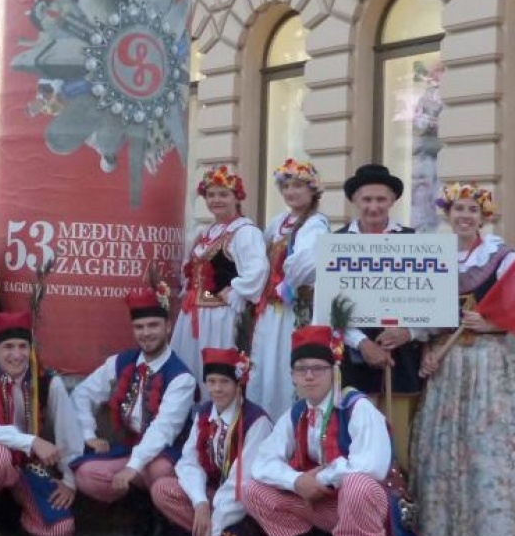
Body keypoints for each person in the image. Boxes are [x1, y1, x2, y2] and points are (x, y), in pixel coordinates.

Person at [415, 183, 515, 536]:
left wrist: (490, 321)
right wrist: (427, 351)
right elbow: (423, 314)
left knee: (481, 453)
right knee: (442, 453)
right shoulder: (437, 256)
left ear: (483, 217)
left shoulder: (502, 258)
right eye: (458, 209)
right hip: (447, 366)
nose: (465, 216)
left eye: (472, 210)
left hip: (484, 365)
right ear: (448, 215)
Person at [246, 325, 395, 536]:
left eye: (317, 368)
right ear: (293, 376)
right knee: (253, 490)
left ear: (334, 371)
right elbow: (262, 462)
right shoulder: (297, 413)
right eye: (301, 370)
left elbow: (372, 466)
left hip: (373, 512)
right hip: (328, 505)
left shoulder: (357, 407)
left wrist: (323, 478)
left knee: (357, 485)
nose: (309, 376)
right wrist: (297, 481)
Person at [69, 289, 199, 536]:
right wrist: (89, 435)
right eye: (139, 326)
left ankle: (165, 521)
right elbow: (82, 393)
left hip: (167, 452)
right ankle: (140, 503)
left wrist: (133, 466)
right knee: (86, 475)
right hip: (130, 448)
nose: (146, 333)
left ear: (168, 327)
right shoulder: (121, 362)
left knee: (158, 469)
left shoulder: (181, 377)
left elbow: (163, 431)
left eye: (153, 325)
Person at [150, 348, 272, 536]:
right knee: (162, 489)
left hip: (245, 507)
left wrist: (213, 529)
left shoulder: (255, 421)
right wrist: (200, 502)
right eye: (211, 381)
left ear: (239, 384)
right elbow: (189, 461)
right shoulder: (204, 413)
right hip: (216, 498)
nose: (216, 388)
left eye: (224, 381)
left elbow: (242, 482)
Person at [0, 311, 79, 536]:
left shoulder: (48, 380)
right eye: (8, 347)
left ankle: (16, 517)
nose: (16, 355)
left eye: (22, 346)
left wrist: (69, 480)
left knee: (62, 530)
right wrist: (33, 441)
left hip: (28, 465)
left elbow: (68, 431)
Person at [337, 163, 425, 467]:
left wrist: (409, 332)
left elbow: (430, 303)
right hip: (355, 361)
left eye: (380, 199)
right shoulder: (338, 244)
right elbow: (330, 308)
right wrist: (363, 343)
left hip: (401, 360)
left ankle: (399, 506)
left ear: (392, 201)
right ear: (355, 202)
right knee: (357, 438)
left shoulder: (414, 242)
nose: (373, 206)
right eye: (367, 199)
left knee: (399, 439)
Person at [169, 165, 267, 384]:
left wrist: (236, 291)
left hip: (219, 318)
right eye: (211, 195)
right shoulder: (207, 232)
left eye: (223, 194)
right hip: (193, 315)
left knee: (214, 373)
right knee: (187, 371)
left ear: (237, 197)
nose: (216, 200)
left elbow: (257, 270)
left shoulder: (245, 232)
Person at [248, 158, 330, 422]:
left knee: (284, 367)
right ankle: (262, 426)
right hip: (271, 309)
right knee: (265, 368)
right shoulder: (278, 221)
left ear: (312, 190)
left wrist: (288, 283)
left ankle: (288, 426)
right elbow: (260, 258)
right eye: (286, 186)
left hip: (294, 310)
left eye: (297, 186)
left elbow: (306, 262)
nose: (291, 192)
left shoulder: (315, 223)